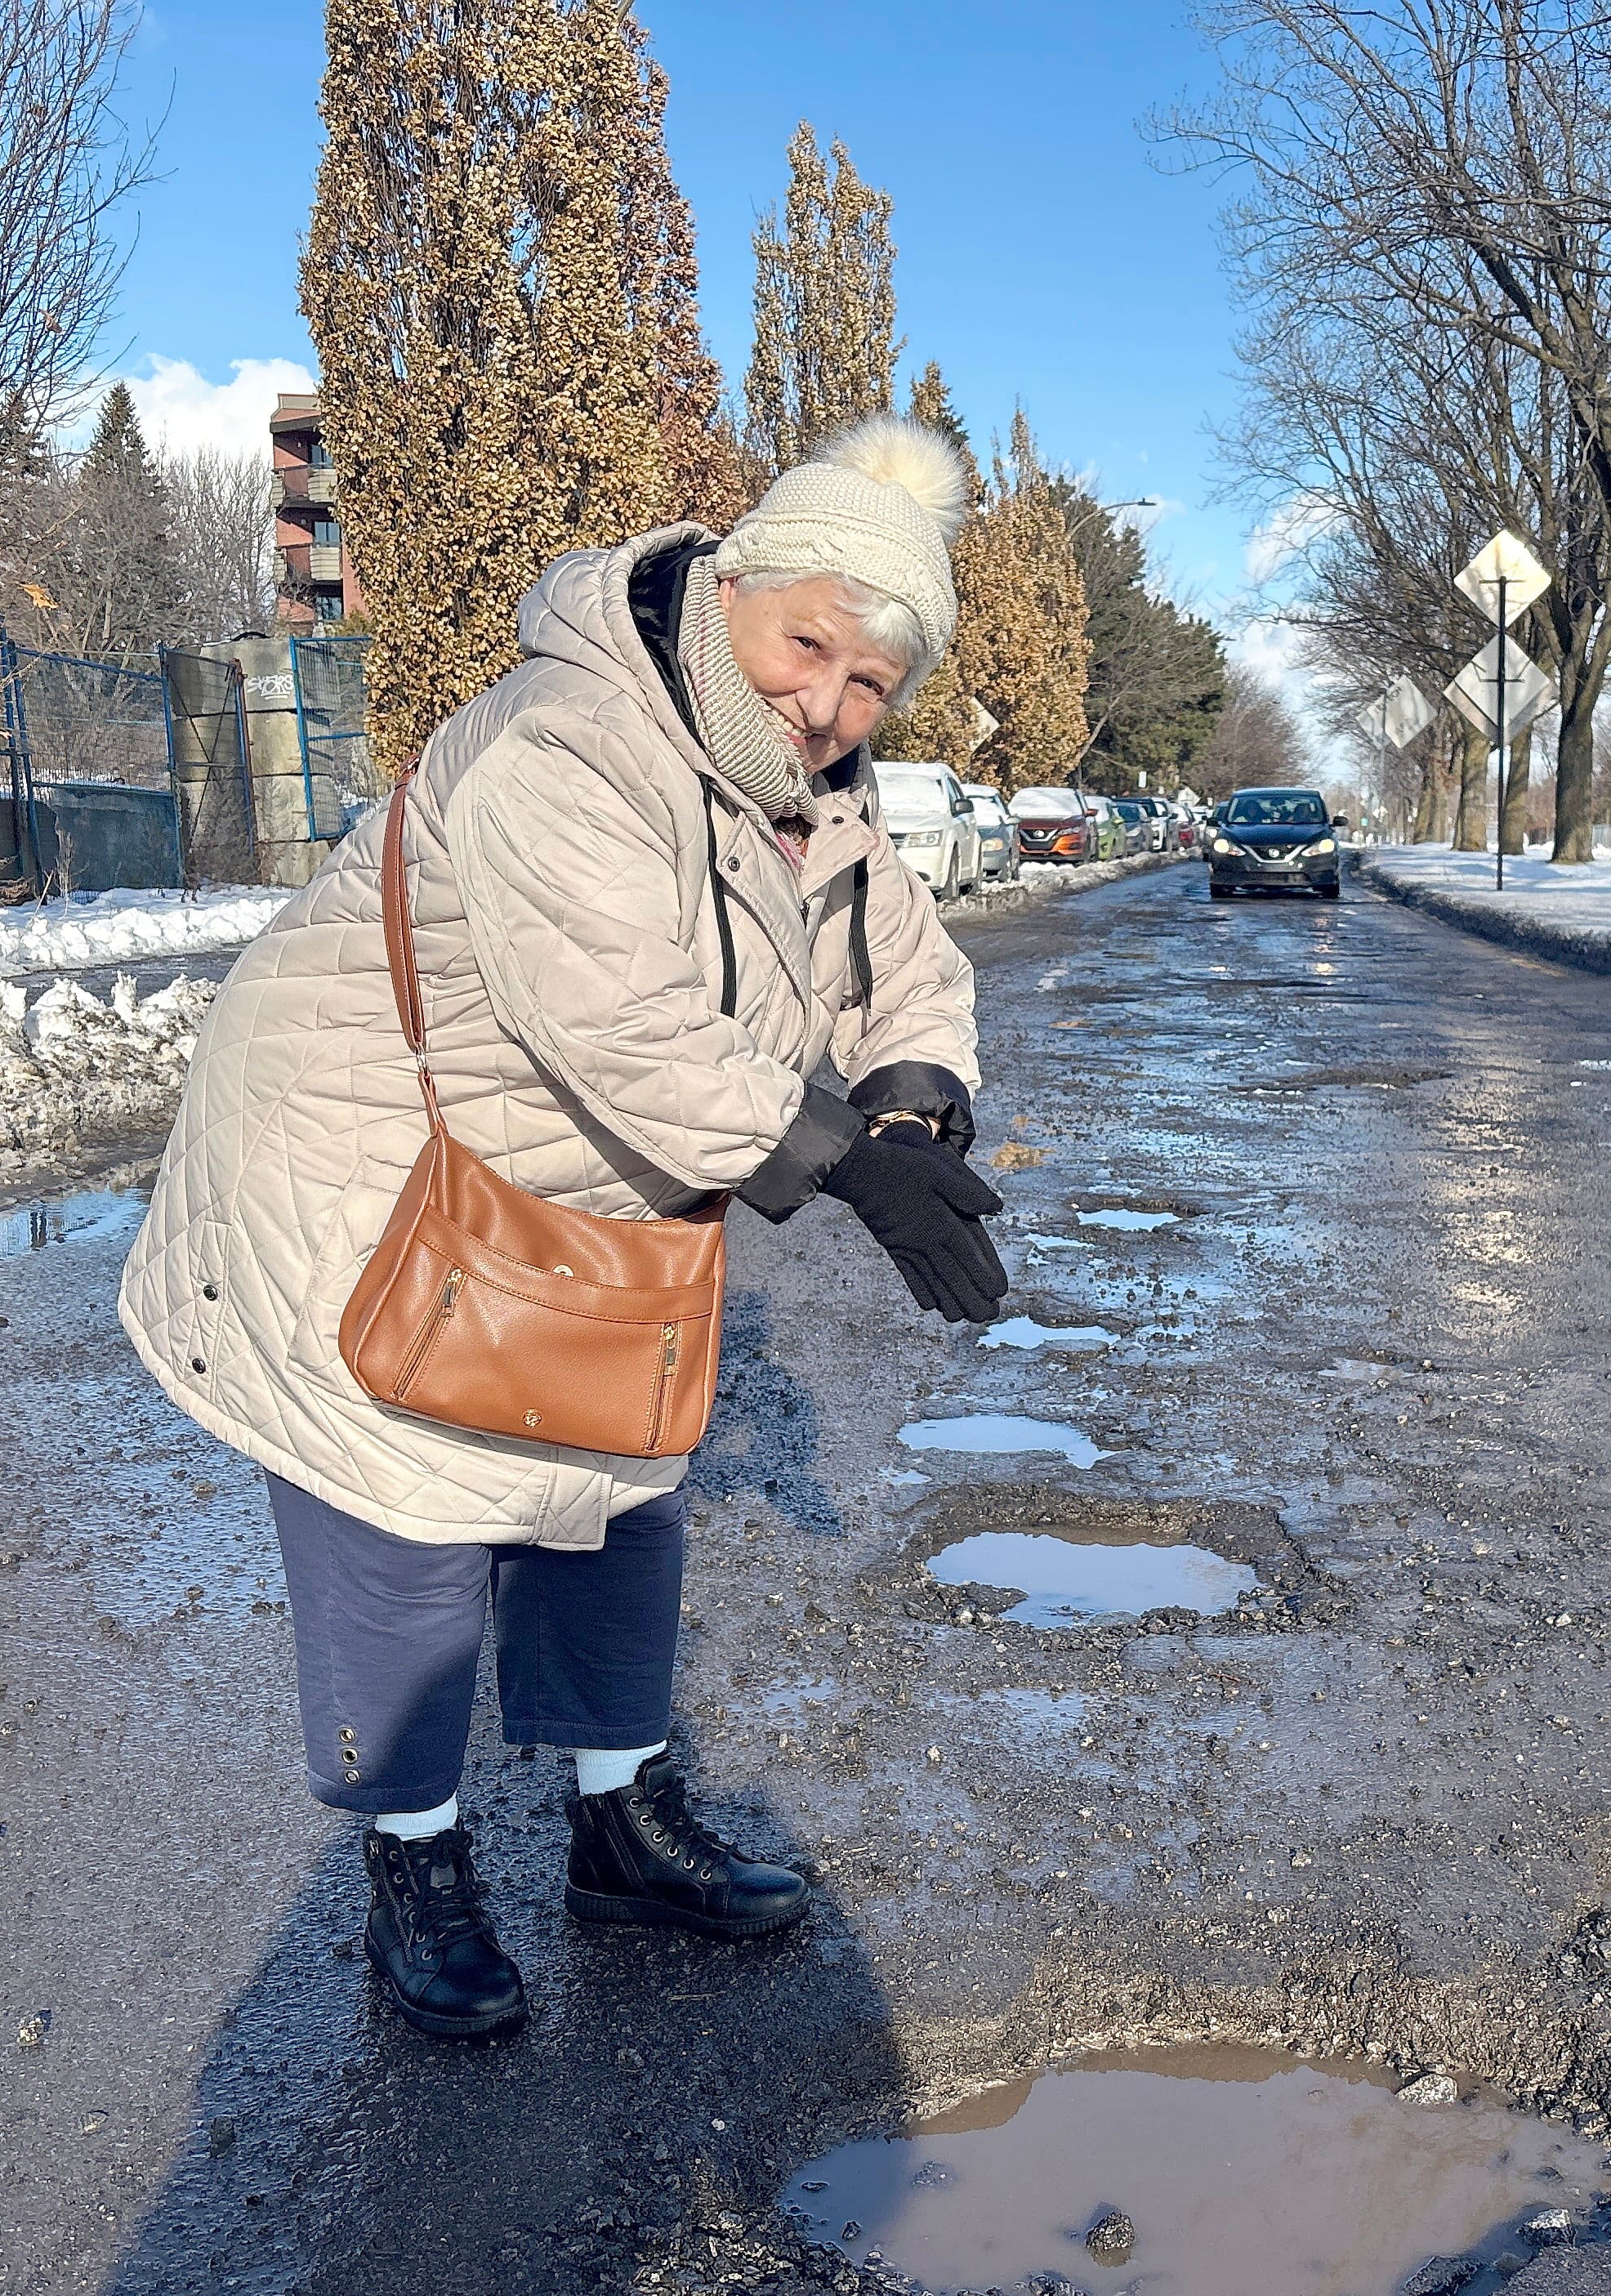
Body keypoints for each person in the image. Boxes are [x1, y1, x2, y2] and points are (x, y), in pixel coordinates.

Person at [119, 417, 1007, 2039]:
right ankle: (415, 1864)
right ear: (734, 589)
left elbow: (905, 964)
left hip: (580, 1194)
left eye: (872, 682)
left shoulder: (817, 797)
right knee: (405, 1517)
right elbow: (629, 1032)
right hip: (363, 1166)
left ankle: (620, 1825)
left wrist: (912, 1100)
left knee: (617, 1488)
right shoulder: (565, 746)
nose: (828, 700)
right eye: (810, 643)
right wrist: (843, 1163)